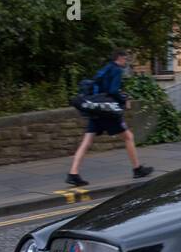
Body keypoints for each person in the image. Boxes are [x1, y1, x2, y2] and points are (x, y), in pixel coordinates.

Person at [66, 49, 153, 186]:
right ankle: (137, 169)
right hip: (108, 112)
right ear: (119, 58)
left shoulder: (106, 68)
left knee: (87, 141)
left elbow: (98, 87)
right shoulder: (116, 70)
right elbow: (112, 90)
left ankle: (73, 173)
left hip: (96, 109)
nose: (126, 61)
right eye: (125, 59)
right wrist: (124, 98)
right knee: (128, 137)